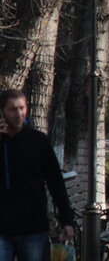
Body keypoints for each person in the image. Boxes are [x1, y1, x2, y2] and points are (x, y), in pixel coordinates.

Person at [0, 89, 76, 261]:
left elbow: (55, 182)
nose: (18, 114)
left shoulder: (38, 141)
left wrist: (67, 220)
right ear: (2, 111)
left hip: (33, 228)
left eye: (22, 108)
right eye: (12, 109)